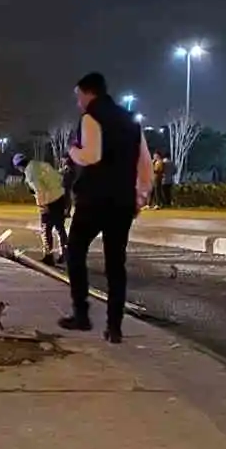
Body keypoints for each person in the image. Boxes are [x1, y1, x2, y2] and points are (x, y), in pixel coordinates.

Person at [62, 72, 154, 344]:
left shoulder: (91, 117)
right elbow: (144, 162)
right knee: (116, 263)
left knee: (75, 252)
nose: (79, 102)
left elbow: (91, 155)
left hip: (93, 199)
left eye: (79, 96)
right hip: (122, 201)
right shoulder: (130, 121)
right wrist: (141, 195)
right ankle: (115, 326)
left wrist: (73, 152)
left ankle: (81, 314)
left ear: (90, 93)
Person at [16, 150, 68, 264]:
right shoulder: (42, 165)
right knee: (60, 227)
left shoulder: (30, 172)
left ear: (19, 167)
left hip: (49, 201)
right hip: (60, 198)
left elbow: (40, 191)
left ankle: (48, 256)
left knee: (45, 229)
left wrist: (42, 206)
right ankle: (65, 253)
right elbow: (59, 178)